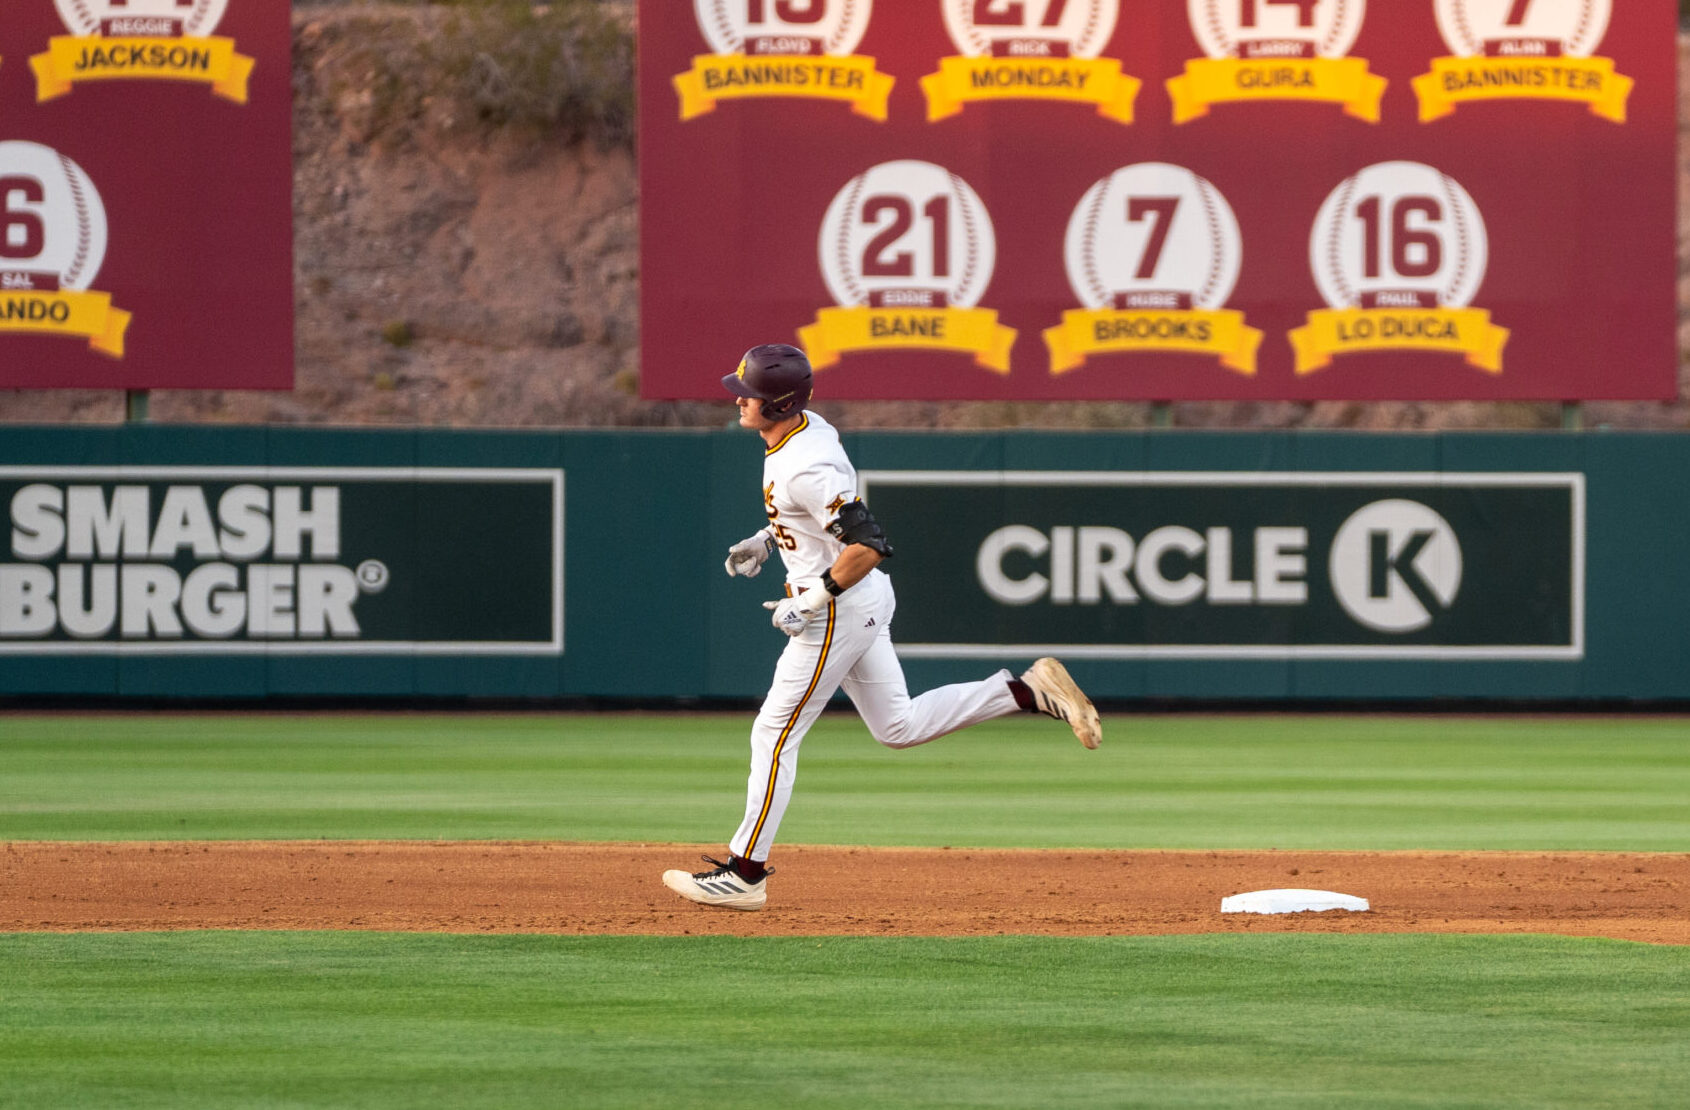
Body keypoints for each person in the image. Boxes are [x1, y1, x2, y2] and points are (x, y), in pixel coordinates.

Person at [661, 343, 1102, 911]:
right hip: (861, 603)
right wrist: (772, 537)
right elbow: (818, 515)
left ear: (778, 405)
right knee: (897, 725)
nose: (739, 400)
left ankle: (745, 874)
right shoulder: (805, 431)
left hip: (838, 612)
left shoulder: (806, 462)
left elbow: (869, 545)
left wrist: (813, 598)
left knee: (773, 734)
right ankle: (1024, 692)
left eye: (749, 394)